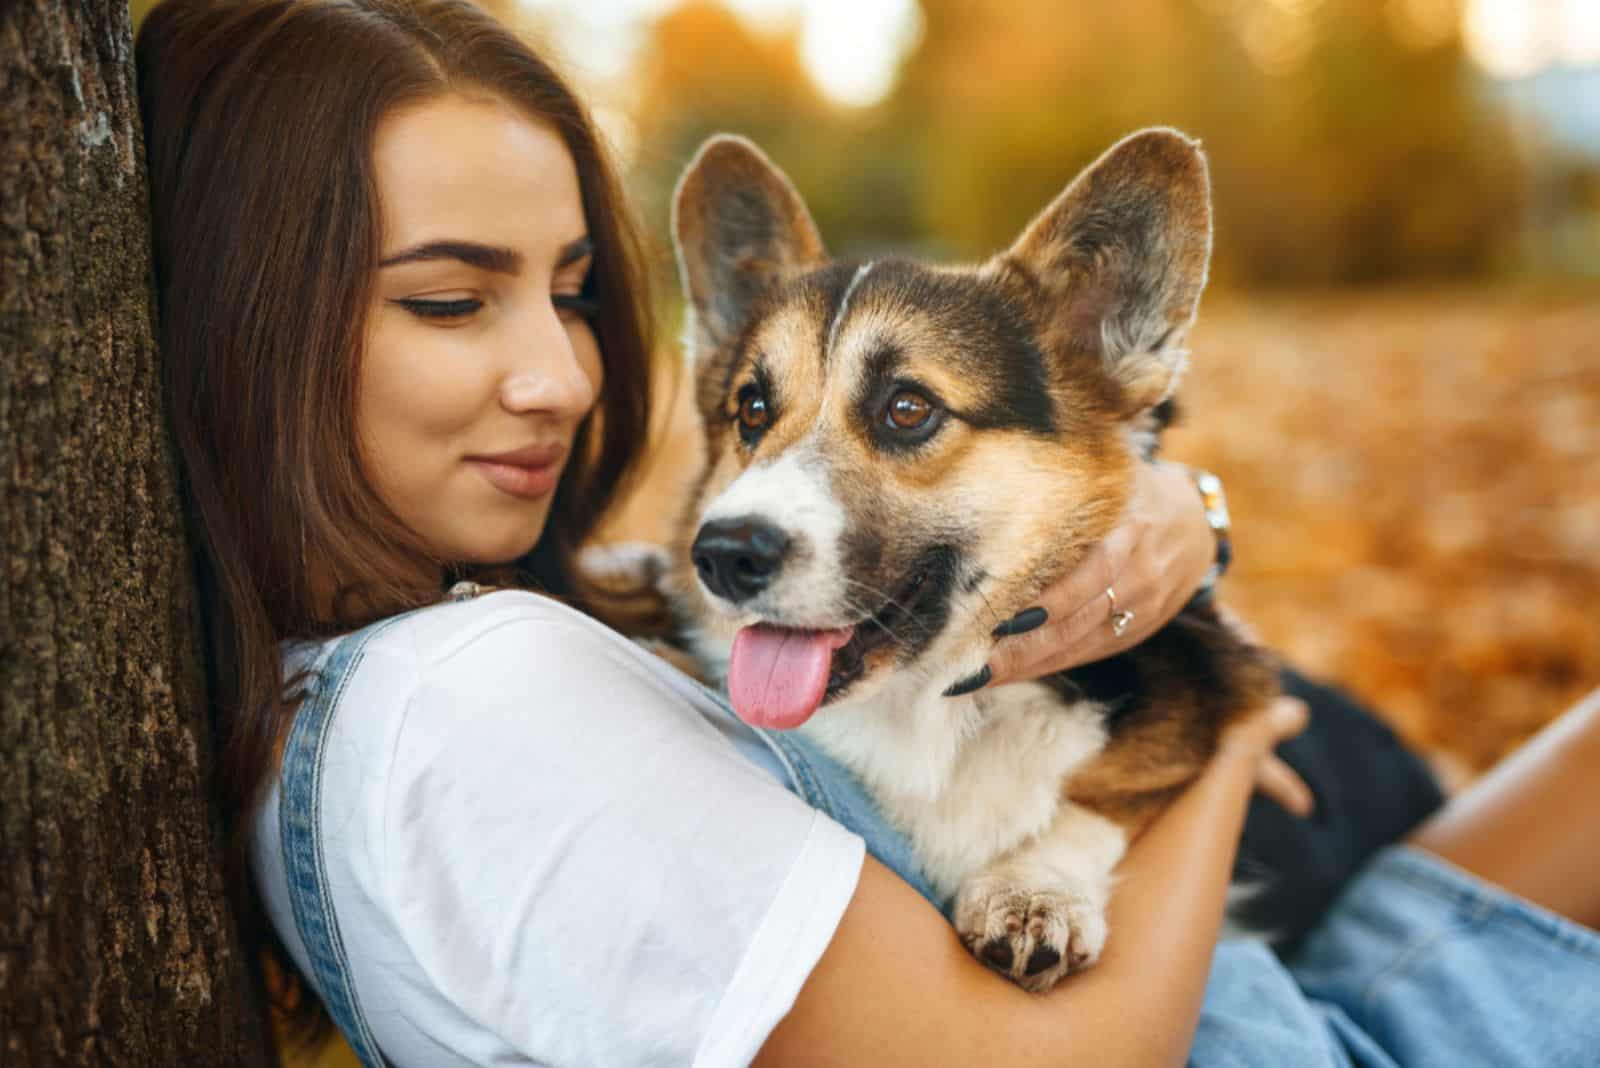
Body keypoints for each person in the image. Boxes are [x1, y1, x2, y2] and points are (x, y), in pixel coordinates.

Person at [134, 0, 1599, 1065]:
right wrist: (1224, 737)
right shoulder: (475, 707)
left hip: (1301, 976)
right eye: (449, 301)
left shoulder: (425, 656)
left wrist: (1167, 498)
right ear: (242, 325)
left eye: (576, 291)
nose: (566, 378)